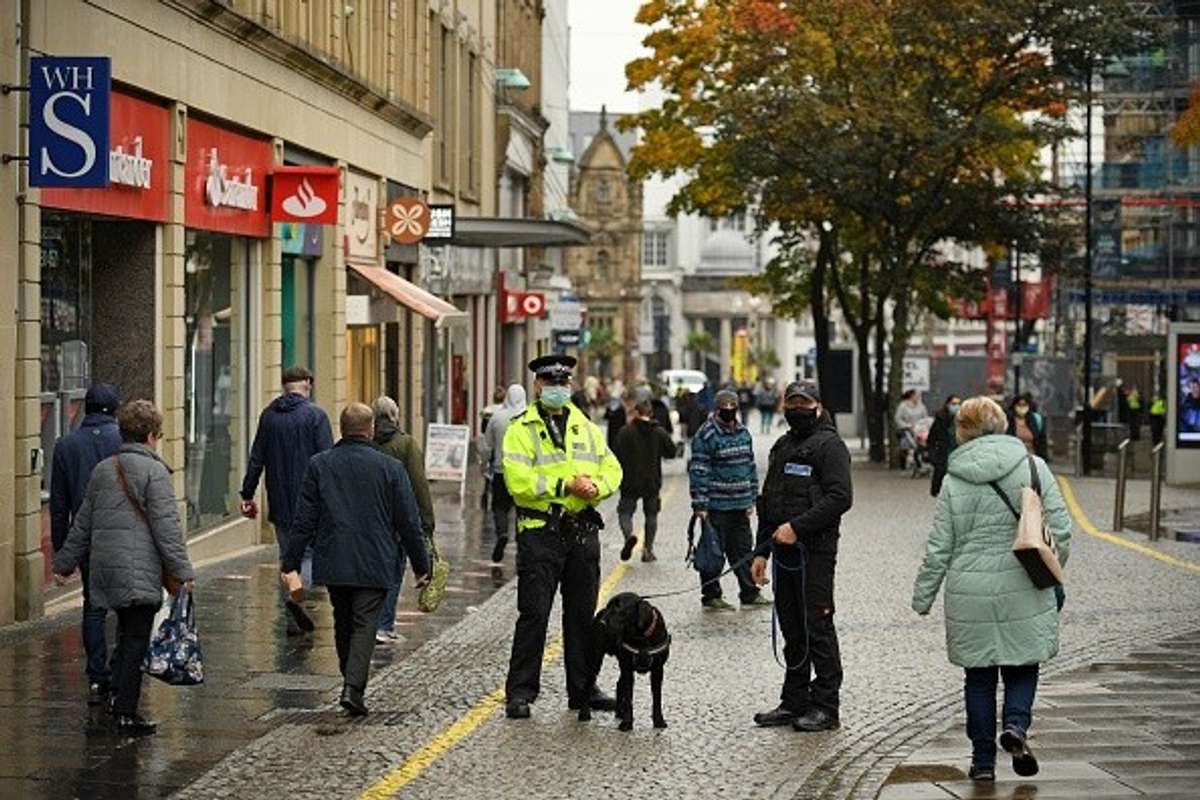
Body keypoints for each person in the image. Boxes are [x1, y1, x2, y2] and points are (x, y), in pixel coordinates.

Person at [912, 396, 1071, 782]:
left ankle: (983, 762)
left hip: (970, 592)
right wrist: (1049, 569)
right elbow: (1061, 530)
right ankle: (1015, 726)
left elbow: (940, 546)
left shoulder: (953, 480)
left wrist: (923, 595)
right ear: (1002, 425)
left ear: (962, 431)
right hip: (1024, 584)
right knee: (1023, 665)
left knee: (979, 679)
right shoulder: (1034, 467)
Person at [53, 400, 195, 736]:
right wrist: (183, 572)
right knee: (135, 639)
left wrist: (64, 564)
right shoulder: (155, 472)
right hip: (137, 568)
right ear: (151, 435)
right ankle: (125, 712)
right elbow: (167, 529)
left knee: (125, 633)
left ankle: (116, 693)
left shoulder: (104, 469)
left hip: (105, 568)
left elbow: (83, 522)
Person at [284, 403, 431, 717]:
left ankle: (349, 680)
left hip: (335, 558)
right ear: (371, 430)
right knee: (365, 623)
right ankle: (353, 687)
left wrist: (290, 562)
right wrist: (421, 565)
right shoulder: (391, 468)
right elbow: (408, 521)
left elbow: (304, 519)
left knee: (343, 620)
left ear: (342, 429)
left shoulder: (320, 465)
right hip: (375, 558)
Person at [501, 355, 623, 720]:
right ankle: (520, 692)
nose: (557, 388)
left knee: (582, 616)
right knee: (534, 614)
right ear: (537, 386)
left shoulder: (585, 426)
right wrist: (565, 485)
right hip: (541, 533)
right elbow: (518, 482)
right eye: (550, 383)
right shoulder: (520, 429)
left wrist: (596, 487)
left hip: (582, 532)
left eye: (563, 383)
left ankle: (583, 689)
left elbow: (612, 468)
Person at [752, 381, 853, 732]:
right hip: (783, 553)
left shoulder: (830, 446)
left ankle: (826, 706)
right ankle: (794, 701)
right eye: (791, 403)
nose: (797, 409)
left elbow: (840, 497)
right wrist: (761, 552)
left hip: (816, 552)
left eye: (803, 403)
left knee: (817, 626)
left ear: (818, 407)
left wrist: (798, 527)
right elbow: (768, 502)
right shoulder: (782, 447)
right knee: (792, 629)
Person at [240, 365, 333, 635]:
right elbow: (327, 461)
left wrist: (247, 494)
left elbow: (256, 459)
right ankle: (296, 599)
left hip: (279, 499)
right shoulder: (316, 416)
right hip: (311, 500)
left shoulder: (269, 417)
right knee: (309, 556)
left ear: (285, 386)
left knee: (287, 556)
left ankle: (294, 612)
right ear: (307, 384)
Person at [49, 383, 122, 705]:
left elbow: (59, 505)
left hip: (88, 538)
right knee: (127, 607)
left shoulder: (65, 445)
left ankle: (96, 675)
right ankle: (121, 670)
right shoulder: (124, 441)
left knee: (93, 606)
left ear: (84, 408)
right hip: (122, 535)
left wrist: (62, 551)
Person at [688, 388, 768, 610]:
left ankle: (749, 592)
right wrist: (700, 504)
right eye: (725, 409)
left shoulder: (743, 433)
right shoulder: (706, 435)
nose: (730, 412)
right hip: (716, 506)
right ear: (717, 410)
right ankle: (711, 595)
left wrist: (752, 497)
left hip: (740, 505)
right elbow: (699, 470)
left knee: (743, 550)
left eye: (733, 408)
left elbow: (750, 466)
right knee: (713, 554)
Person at [371, 396, 436, 644]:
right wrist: (427, 522)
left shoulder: (368, 442)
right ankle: (384, 625)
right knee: (394, 570)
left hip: (372, 518)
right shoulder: (406, 444)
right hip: (398, 519)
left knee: (374, 571)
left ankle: (374, 623)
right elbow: (419, 485)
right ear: (395, 415)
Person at [613, 387, 678, 563]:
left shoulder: (625, 432)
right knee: (651, 515)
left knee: (625, 512)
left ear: (636, 412)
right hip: (651, 481)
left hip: (630, 480)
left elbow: (615, 453)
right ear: (651, 413)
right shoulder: (658, 431)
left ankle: (629, 536)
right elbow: (671, 452)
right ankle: (648, 550)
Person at [479, 384, 528, 565]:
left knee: (499, 507)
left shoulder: (497, 417)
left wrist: (484, 464)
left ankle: (502, 533)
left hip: (501, 470)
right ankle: (521, 546)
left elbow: (487, 445)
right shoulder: (530, 418)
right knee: (522, 510)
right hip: (524, 473)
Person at [927, 395, 961, 497]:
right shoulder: (940, 418)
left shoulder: (962, 419)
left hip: (957, 450)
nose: (956, 406)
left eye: (958, 404)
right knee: (941, 472)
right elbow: (932, 438)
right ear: (947, 404)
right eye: (953, 404)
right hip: (944, 451)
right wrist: (932, 455)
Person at [894, 389, 929, 469]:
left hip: (919, 429)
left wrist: (922, 426)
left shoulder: (921, 406)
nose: (919, 397)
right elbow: (897, 419)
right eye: (917, 396)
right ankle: (904, 462)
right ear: (912, 396)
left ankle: (920, 460)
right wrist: (908, 426)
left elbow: (925, 418)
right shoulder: (903, 406)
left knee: (923, 442)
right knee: (907, 442)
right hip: (906, 429)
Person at [1006, 393, 1048, 460]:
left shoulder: (1035, 420)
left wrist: (1043, 458)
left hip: (1032, 458)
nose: (1022, 407)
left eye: (1024, 405)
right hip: (1013, 458)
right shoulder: (1009, 421)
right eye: (1019, 405)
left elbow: (1041, 441)